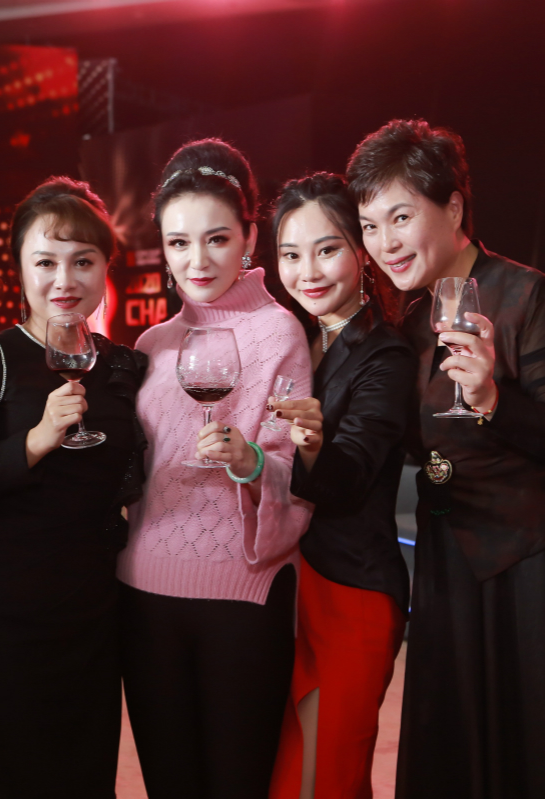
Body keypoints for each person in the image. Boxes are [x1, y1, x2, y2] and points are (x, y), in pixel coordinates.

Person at [348, 119, 545, 798]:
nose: (385, 242)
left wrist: (492, 400)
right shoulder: (407, 322)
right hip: (451, 565)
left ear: (453, 207)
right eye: (369, 226)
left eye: (401, 217)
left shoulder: (532, 297)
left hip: (541, 564)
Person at [0, 178, 146, 798]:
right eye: (46, 262)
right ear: (20, 269)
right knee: (8, 773)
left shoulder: (122, 365)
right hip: (5, 609)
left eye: (83, 261)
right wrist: (35, 441)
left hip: (94, 607)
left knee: (85, 773)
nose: (64, 280)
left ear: (106, 267)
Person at [118, 139, 313, 799]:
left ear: (249, 237)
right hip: (143, 593)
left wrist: (249, 460)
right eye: (178, 243)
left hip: (240, 597)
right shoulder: (151, 342)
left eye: (216, 239)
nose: (196, 261)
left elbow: (292, 464)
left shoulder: (280, 332)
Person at [266, 173, 416, 799]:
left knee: (324, 779)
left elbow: (351, 476)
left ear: (362, 251)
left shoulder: (386, 354)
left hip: (350, 589)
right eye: (291, 254)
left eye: (326, 250)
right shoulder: (289, 339)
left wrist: (312, 442)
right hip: (282, 586)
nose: (307, 272)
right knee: (296, 777)